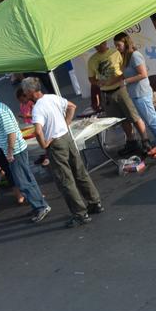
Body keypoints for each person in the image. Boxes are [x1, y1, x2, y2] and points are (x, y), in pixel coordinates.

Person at [24, 77, 102, 228]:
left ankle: (80, 214)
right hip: (66, 138)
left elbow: (38, 131)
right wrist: (65, 123)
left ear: (30, 92)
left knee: (66, 180)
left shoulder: (38, 108)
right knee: (80, 172)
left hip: (55, 143)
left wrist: (44, 144)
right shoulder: (52, 97)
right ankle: (95, 202)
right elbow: (72, 106)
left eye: (26, 93)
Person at [0, 87, 51, 223]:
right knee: (26, 178)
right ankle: (38, 205)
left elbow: (11, 133)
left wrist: (10, 152)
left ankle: (41, 206)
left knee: (22, 181)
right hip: (16, 149)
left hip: (16, 151)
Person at [113, 32, 156, 159]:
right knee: (149, 120)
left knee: (152, 120)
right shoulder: (126, 57)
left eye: (119, 45)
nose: (117, 48)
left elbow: (143, 74)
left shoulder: (135, 55)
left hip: (142, 93)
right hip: (135, 94)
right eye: (116, 45)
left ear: (126, 43)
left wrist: (125, 82)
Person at [87, 40, 150, 155]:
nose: (98, 46)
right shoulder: (92, 60)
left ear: (105, 42)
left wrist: (114, 80)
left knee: (133, 116)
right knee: (121, 119)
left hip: (121, 89)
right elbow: (91, 78)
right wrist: (97, 83)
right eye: (96, 44)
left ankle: (145, 140)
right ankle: (132, 141)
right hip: (106, 93)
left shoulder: (116, 53)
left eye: (101, 43)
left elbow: (125, 71)